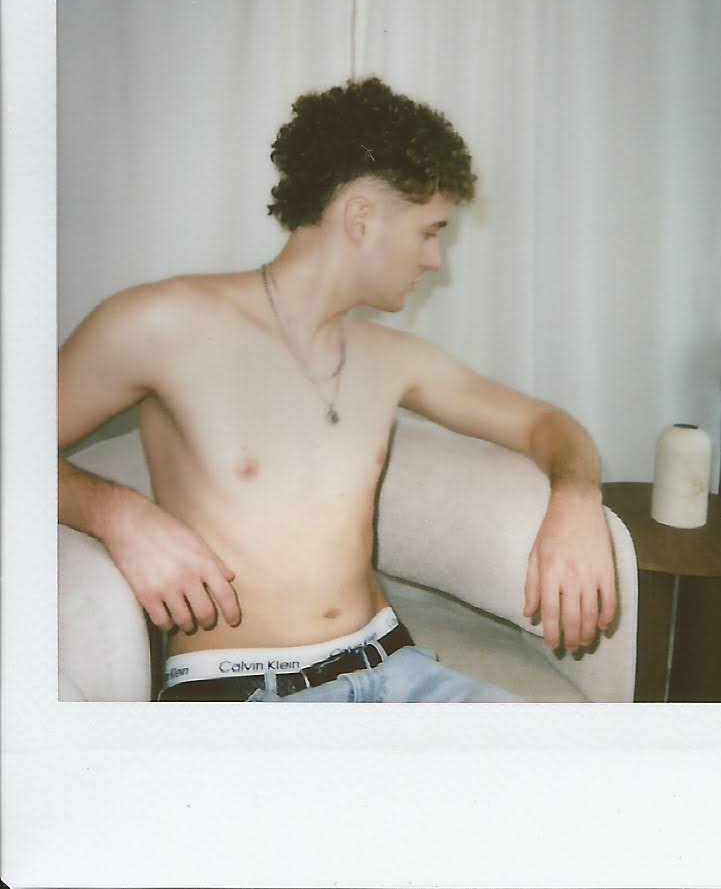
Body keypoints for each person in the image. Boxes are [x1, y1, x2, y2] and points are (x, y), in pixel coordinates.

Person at [58, 76, 617, 703]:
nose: (436, 260)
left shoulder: (393, 357)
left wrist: (576, 499)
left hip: (400, 670)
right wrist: (119, 515)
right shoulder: (165, 323)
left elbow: (546, 424)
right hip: (244, 695)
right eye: (430, 231)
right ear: (360, 218)